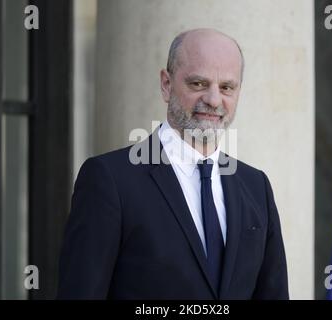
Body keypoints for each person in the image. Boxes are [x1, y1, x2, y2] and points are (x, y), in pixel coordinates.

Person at [57, 28, 289, 299]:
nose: (214, 100)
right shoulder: (109, 180)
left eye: (226, 87)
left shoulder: (256, 186)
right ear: (166, 84)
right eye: (198, 84)